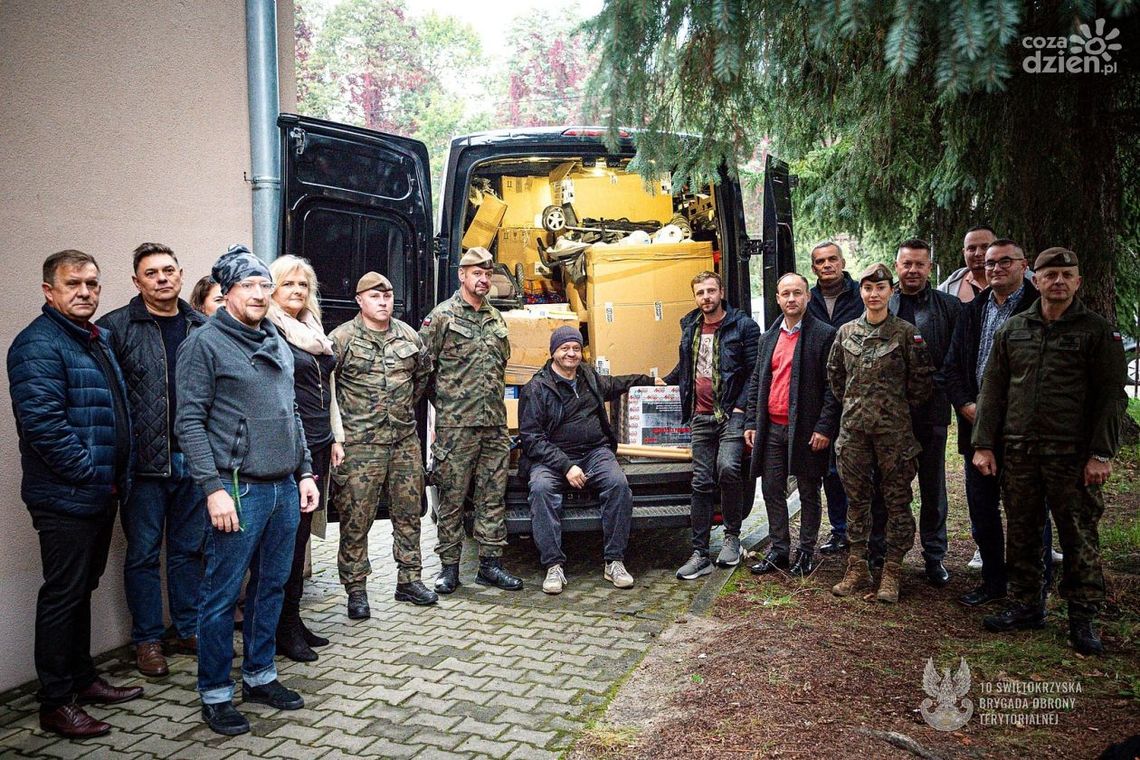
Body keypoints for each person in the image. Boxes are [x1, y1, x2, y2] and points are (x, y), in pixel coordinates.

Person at [175, 245, 320, 735]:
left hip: (282, 488)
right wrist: (212, 489)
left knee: (271, 587)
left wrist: (304, 472)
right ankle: (215, 694)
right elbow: (189, 422)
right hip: (237, 490)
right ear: (227, 292)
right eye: (249, 286)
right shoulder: (204, 344)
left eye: (265, 285)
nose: (260, 293)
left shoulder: (276, 340)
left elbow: (292, 414)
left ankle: (260, 675)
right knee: (219, 597)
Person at [8, 250, 143, 738]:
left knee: (81, 589)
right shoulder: (38, 345)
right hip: (66, 497)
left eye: (92, 283)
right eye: (73, 284)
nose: (85, 292)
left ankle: (84, 679)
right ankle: (55, 702)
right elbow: (44, 426)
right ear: (50, 291)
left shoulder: (97, 338)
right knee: (63, 595)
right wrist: (89, 474)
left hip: (99, 492)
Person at [973, 247, 1127, 655]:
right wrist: (984, 444)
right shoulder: (1014, 329)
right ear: (1035, 280)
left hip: (1073, 457)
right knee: (1022, 532)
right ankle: (1025, 605)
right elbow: (993, 388)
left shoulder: (1097, 332)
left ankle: (1083, 617)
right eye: (1050, 274)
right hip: (1021, 452)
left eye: (1066, 275)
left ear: (1078, 282)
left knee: (1078, 535)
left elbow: (1111, 397)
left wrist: (1101, 454)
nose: (1058, 281)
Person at [96, 243, 207, 678]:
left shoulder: (201, 326)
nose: (161, 279)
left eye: (168, 271)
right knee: (142, 554)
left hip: (194, 462)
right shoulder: (115, 329)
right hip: (143, 467)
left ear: (180, 275)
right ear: (136, 281)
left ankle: (188, 627)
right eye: (151, 273)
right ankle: (147, 641)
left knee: (188, 552)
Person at [329, 271, 437, 615]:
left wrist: (400, 412)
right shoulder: (341, 339)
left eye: (387, 295)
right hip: (360, 445)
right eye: (375, 296)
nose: (383, 301)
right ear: (360, 301)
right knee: (356, 517)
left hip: (403, 441)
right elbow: (328, 390)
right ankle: (356, 589)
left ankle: (409, 580)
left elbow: (422, 379)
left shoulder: (409, 336)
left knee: (408, 514)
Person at [520, 327, 656, 593]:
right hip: (552, 458)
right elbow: (531, 439)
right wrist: (566, 466)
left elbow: (615, 384)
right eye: (565, 348)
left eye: (575, 348)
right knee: (540, 489)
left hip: (594, 452)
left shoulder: (588, 377)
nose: (571, 353)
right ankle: (553, 566)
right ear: (553, 352)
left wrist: (650, 381)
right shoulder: (536, 388)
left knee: (618, 484)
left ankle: (614, 561)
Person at [828, 263, 933, 604]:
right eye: (868, 288)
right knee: (856, 501)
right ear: (860, 292)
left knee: (897, 502)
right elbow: (836, 378)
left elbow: (920, 384)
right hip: (854, 433)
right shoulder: (845, 333)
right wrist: (859, 408)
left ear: (891, 291)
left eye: (881, 288)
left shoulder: (906, 333)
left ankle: (892, 570)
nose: (874, 294)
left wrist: (890, 410)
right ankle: (857, 567)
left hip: (894, 435)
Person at [941, 239, 1038, 606]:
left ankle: (1031, 587)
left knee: (1027, 512)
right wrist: (966, 404)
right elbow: (951, 367)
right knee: (982, 509)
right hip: (976, 426)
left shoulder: (1038, 306)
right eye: (991, 263)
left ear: (1023, 265)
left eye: (1004, 262)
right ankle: (993, 582)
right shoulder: (973, 310)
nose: (995, 268)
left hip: (1022, 430)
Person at [420, 247, 522, 593]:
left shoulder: (496, 319)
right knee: (451, 498)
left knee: (493, 496)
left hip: (493, 425)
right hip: (456, 428)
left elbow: (500, 369)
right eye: (476, 272)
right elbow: (423, 372)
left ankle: (490, 565)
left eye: (488, 273)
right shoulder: (442, 317)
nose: (484, 279)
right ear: (462, 275)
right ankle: (449, 568)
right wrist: (448, 405)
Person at [266, 255, 339, 659]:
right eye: (288, 284)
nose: (297, 291)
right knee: (287, 542)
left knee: (301, 541)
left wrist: (336, 438)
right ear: (272, 289)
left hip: (318, 445)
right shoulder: (271, 330)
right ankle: (281, 628)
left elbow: (327, 391)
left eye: (303, 285)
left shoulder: (312, 329)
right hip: (292, 448)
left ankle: (292, 619)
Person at [745, 273, 841, 577]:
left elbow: (833, 387)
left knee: (809, 490)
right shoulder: (768, 338)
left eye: (797, 293)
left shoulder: (824, 335)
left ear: (807, 296)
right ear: (776, 298)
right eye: (785, 294)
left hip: (806, 430)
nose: (791, 299)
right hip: (771, 427)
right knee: (772, 488)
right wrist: (751, 421)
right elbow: (758, 381)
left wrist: (825, 427)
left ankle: (806, 550)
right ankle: (779, 549)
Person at [667, 271, 761, 579]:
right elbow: (687, 366)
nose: (706, 297)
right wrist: (660, 382)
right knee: (700, 481)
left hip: (730, 414)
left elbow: (754, 372)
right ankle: (699, 553)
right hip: (699, 415)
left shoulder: (742, 325)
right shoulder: (690, 324)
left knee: (729, 468)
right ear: (695, 297)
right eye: (700, 293)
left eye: (710, 291)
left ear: (720, 291)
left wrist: (740, 407)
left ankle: (732, 537)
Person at [886, 238, 961, 586]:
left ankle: (934, 556)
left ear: (930, 268)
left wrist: (934, 390)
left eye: (919, 264)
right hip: (891, 416)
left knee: (933, 488)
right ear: (897, 266)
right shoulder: (884, 302)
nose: (912, 270)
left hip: (931, 412)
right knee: (890, 488)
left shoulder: (949, 307)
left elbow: (954, 358)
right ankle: (890, 556)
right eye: (906, 264)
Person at [805, 241, 862, 556]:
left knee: (858, 469)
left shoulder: (860, 296)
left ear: (842, 262)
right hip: (821, 395)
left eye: (831, 260)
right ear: (813, 268)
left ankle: (863, 533)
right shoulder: (807, 299)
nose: (826, 265)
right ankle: (840, 530)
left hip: (858, 395)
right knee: (831, 471)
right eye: (820, 262)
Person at [938, 225, 995, 304]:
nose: (978, 253)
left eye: (985, 247)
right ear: (964, 253)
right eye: (972, 248)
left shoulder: (1012, 283)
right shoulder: (948, 288)